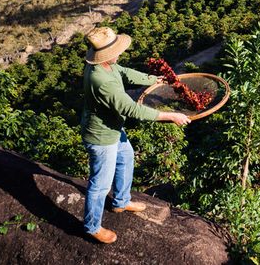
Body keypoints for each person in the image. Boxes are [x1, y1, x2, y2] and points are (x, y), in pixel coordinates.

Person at [80, 26, 190, 244]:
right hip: (102, 137)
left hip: (113, 128)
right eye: (116, 52)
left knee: (126, 158)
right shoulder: (101, 80)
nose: (119, 54)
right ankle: (91, 226)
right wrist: (170, 116)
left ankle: (121, 201)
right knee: (100, 184)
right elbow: (132, 110)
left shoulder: (106, 66)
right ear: (106, 55)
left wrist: (154, 80)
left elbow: (125, 72)